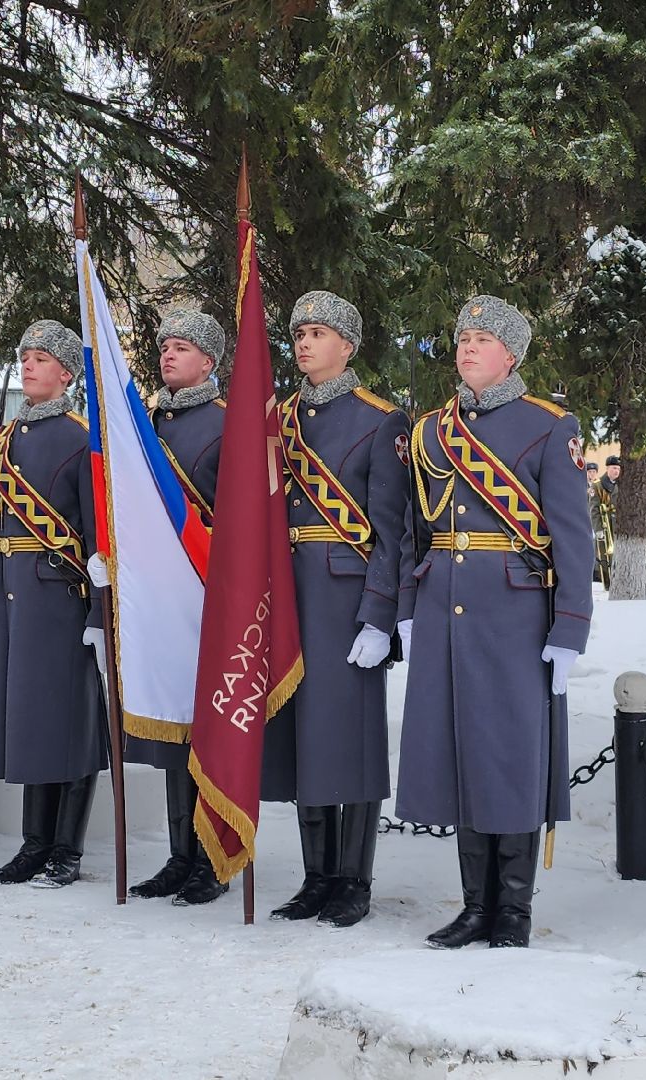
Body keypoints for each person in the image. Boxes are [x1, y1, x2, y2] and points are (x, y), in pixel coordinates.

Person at [397, 295, 595, 950]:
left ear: (512, 354)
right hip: (442, 612)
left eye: (482, 339)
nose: (467, 347)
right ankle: (473, 907)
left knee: (507, 759)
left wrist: (569, 628)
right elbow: (411, 533)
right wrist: (404, 609)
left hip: (515, 616)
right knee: (461, 758)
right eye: (461, 338)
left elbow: (571, 537)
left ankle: (511, 913)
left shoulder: (548, 425)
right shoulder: (430, 430)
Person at [260, 290, 410, 929]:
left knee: (349, 738)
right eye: (297, 331)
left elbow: (393, 528)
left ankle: (354, 878)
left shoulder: (382, 420)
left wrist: (380, 613)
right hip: (289, 594)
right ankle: (316, 876)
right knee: (301, 739)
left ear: (347, 346)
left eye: (318, 331)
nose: (303, 341)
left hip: (347, 598)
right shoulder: (278, 418)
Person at [0, 320, 108, 889]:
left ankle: (66, 851)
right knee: (29, 722)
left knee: (69, 723)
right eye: (24, 357)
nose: (28, 366)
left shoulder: (82, 438)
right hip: (11, 594)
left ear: (67, 373)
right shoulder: (2, 439)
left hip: (61, 597)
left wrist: (100, 614)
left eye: (41, 359)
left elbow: (101, 536)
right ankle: (34, 844)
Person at [121, 308, 232, 906]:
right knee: (171, 728)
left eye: (182, 347)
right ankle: (177, 854)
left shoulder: (227, 423)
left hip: (207, 590)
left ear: (209, 362)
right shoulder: (145, 424)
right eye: (164, 346)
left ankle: (213, 859)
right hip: (159, 594)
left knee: (207, 730)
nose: (168, 355)